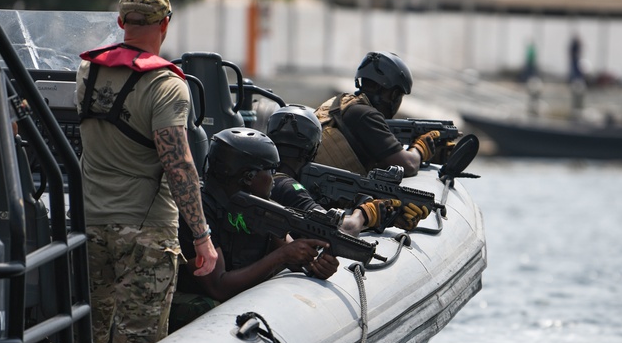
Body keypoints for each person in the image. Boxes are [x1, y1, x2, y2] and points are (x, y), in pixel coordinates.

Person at [76, 0, 217, 343]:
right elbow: (179, 163)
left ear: (121, 21)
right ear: (165, 24)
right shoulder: (167, 84)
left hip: (89, 225)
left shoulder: (87, 71)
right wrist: (202, 238)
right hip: (146, 233)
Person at [174, 128, 338, 321]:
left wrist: (317, 265)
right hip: (193, 303)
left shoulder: (260, 208)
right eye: (271, 170)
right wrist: (282, 256)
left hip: (238, 303)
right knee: (206, 307)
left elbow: (295, 256)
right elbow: (218, 287)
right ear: (248, 177)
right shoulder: (197, 212)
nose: (274, 179)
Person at [265, 104, 429, 234]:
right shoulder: (289, 189)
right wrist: (365, 214)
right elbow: (341, 229)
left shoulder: (262, 177)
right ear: (314, 149)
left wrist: (389, 217)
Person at [314, 51, 445, 178]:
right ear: (394, 95)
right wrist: (420, 148)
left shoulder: (341, 104)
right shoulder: (366, 115)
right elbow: (408, 165)